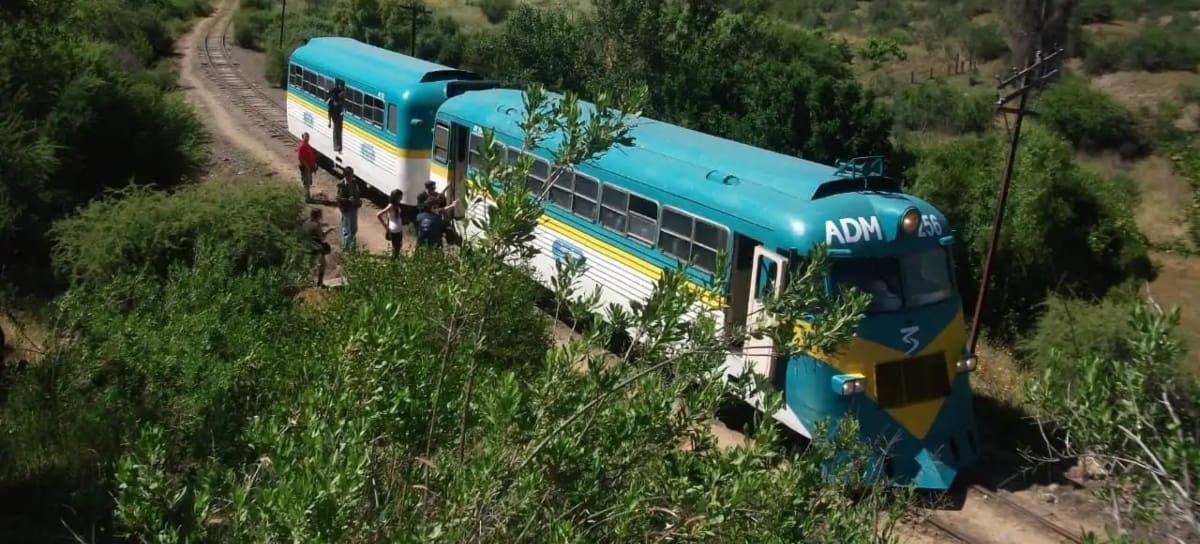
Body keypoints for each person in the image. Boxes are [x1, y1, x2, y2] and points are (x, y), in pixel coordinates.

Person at [301, 208, 332, 287]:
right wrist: (329, 230)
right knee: (322, 265)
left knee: (309, 265)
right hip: (315, 247)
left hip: (305, 246)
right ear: (319, 216)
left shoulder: (305, 223)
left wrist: (323, 225)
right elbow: (322, 237)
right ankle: (319, 283)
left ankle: (306, 282)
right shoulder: (316, 225)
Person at [336, 166, 362, 252]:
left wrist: (357, 201)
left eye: (351, 174)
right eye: (349, 175)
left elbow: (357, 194)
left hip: (354, 208)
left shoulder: (355, 183)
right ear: (345, 175)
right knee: (346, 229)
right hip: (346, 209)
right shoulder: (341, 184)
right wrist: (348, 200)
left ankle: (353, 248)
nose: (351, 176)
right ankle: (346, 248)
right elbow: (338, 198)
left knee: (354, 228)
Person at [376, 189, 405, 258]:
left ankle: (395, 258)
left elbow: (389, 217)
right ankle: (394, 260)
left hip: (398, 229)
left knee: (398, 246)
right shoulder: (391, 206)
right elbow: (379, 215)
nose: (401, 198)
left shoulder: (396, 205)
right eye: (400, 197)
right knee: (396, 247)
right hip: (394, 230)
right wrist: (386, 227)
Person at [297, 132, 317, 201]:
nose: (307, 138)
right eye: (306, 136)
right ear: (303, 137)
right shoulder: (302, 146)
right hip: (306, 168)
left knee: (308, 182)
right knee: (306, 183)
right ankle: (306, 198)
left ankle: (308, 197)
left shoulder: (307, 145)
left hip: (309, 167)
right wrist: (307, 166)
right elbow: (300, 158)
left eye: (308, 136)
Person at [327, 82, 345, 153]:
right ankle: (336, 146)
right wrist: (329, 122)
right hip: (335, 117)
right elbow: (329, 112)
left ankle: (339, 146)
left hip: (339, 116)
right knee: (336, 131)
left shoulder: (339, 100)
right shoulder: (331, 102)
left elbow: (342, 107)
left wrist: (342, 113)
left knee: (339, 132)